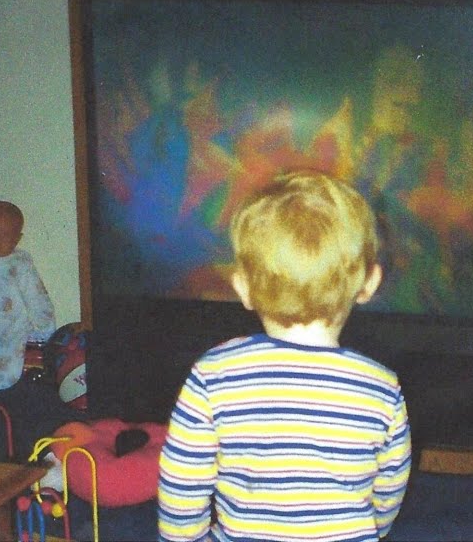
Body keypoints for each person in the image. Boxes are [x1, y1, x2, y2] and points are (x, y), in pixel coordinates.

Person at [157, 170, 412, 542]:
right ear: (369, 283)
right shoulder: (382, 388)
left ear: (243, 287)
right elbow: (389, 490)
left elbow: (182, 482)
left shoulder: (213, 375)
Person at [0, 200, 84, 461]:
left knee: (25, 405)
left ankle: (42, 452)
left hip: (7, 348)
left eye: (7, 235)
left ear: (18, 239)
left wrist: (45, 336)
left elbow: (38, 300)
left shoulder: (20, 264)